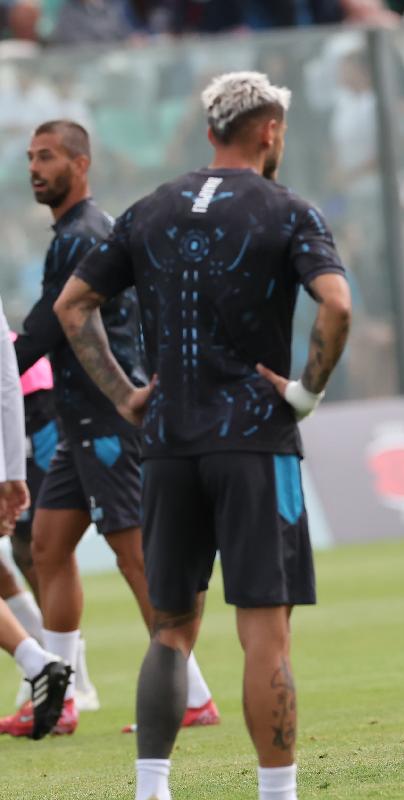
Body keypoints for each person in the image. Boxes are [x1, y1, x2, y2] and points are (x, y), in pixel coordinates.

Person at [55, 71, 351, 800]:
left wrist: (126, 396)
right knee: (265, 633)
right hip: (254, 442)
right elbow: (337, 305)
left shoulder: (149, 209)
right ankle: (276, 794)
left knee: (170, 627)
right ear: (270, 131)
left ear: (211, 130)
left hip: (166, 444)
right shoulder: (288, 210)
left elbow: (73, 305)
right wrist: (306, 392)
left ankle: (152, 788)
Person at [0, 119, 218, 738]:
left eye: (47, 157)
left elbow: (49, 327)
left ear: (81, 164)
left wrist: (3, 367)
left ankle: (192, 694)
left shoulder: (83, 236)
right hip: (80, 420)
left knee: (135, 557)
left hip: (107, 419)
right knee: (48, 547)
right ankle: (59, 697)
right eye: (30, 158)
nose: (34, 168)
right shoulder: (78, 233)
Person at [0, 297, 71, 741]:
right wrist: (10, 474)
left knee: (35, 550)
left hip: (42, 411)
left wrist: (11, 475)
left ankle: (51, 666)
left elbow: (9, 381)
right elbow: (6, 380)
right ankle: (41, 661)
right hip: (17, 434)